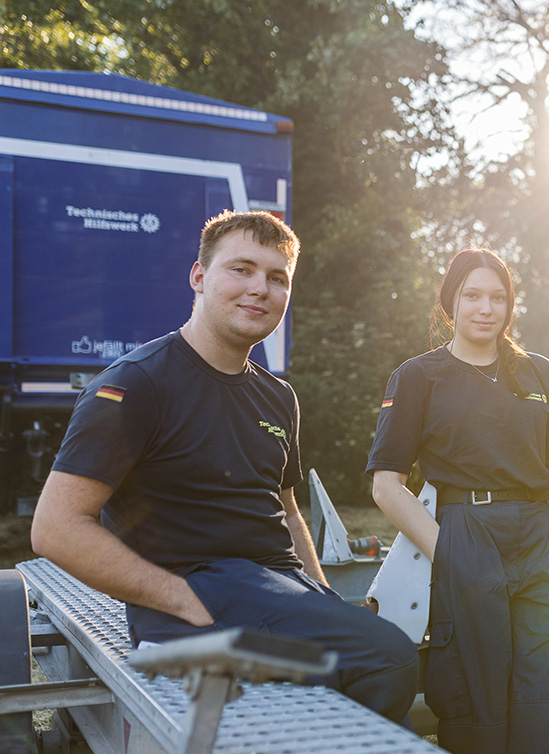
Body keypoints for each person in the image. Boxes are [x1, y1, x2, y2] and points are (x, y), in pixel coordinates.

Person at [30, 211, 418, 724]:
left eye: (277, 278)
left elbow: (286, 511)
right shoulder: (136, 385)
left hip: (272, 590)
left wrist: (324, 596)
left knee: (368, 665)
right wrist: (181, 598)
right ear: (198, 276)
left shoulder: (278, 397)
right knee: (385, 657)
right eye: (241, 269)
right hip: (196, 598)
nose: (260, 288)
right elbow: (55, 529)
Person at [367, 248, 549, 754]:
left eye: (498, 297)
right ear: (450, 304)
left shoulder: (539, 373)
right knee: (476, 687)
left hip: (543, 535)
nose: (486, 308)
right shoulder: (419, 375)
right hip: (466, 529)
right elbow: (386, 484)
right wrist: (448, 552)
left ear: (510, 305)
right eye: (472, 295)